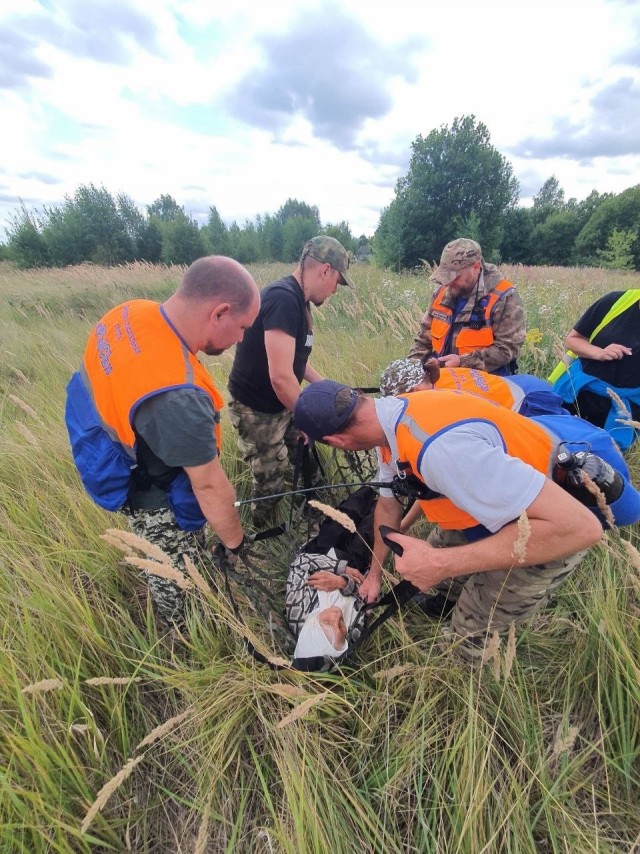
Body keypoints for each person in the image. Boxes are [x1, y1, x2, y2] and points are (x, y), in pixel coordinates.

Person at [293, 380, 640, 662]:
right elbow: (388, 506)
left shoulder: (440, 451)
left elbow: (581, 528)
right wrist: (373, 576)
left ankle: (467, 673)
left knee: (471, 629)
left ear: (337, 442)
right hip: (489, 508)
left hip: (550, 527)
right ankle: (442, 602)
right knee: (437, 587)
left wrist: (441, 563)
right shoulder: (390, 420)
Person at [65, 256, 260, 628]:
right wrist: (236, 545)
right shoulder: (177, 397)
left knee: (177, 568)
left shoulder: (129, 314)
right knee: (177, 588)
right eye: (242, 327)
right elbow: (208, 484)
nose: (241, 339)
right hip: (157, 497)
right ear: (219, 312)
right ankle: (181, 644)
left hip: (117, 456)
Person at [228, 235, 354, 528]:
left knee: (304, 456)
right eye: (337, 280)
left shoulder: (301, 301)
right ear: (324, 270)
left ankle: (314, 512)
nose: (336, 289)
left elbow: (295, 361)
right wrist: (309, 418)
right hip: (257, 407)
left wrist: (326, 387)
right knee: (272, 478)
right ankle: (262, 531)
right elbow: (281, 376)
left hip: (282, 399)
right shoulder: (283, 298)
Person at [286, 485, 376, 671]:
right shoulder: (353, 634)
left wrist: (337, 567)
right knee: (372, 526)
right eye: (341, 626)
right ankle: (395, 497)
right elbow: (370, 599)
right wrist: (344, 582)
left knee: (346, 514)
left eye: (327, 623)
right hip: (357, 565)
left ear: (311, 630)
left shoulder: (296, 610)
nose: (337, 616)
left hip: (323, 552)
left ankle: (374, 484)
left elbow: (300, 563)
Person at [408, 238, 525, 376]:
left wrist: (463, 362)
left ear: (475, 267)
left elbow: (507, 348)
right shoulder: (441, 293)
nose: (448, 284)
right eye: (446, 278)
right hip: (443, 378)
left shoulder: (504, 296)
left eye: (455, 277)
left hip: (485, 383)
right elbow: (423, 340)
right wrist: (408, 370)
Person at [550, 290, 640, 450]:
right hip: (577, 396)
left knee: (601, 463)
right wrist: (600, 353)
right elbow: (573, 340)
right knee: (553, 447)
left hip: (624, 413)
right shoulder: (616, 301)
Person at [380, 357, 567, 417]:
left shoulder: (445, 398)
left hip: (531, 405)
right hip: (526, 383)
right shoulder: (438, 372)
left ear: (415, 392)